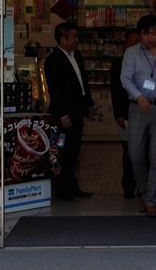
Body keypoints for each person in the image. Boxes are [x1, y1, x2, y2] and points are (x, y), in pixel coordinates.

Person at [121, 14, 156, 217]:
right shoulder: (131, 53)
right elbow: (125, 79)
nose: (149, 38)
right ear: (140, 34)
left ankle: (152, 200)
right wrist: (139, 96)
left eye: (154, 33)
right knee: (135, 154)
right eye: (145, 34)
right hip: (138, 108)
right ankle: (145, 192)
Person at [44, 22, 93, 200]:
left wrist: (88, 103)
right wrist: (63, 114)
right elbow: (54, 90)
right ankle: (62, 189)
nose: (76, 40)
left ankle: (73, 185)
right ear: (63, 39)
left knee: (74, 151)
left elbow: (83, 82)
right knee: (61, 151)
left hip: (78, 111)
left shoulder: (76, 55)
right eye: (73, 37)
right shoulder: (53, 60)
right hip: (63, 116)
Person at [110, 29, 140, 199]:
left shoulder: (147, 61)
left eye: (138, 41)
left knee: (143, 151)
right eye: (131, 41)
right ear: (125, 45)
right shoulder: (118, 64)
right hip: (126, 114)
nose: (134, 44)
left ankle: (142, 186)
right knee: (128, 151)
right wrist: (118, 114)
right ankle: (128, 185)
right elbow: (115, 90)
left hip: (143, 112)